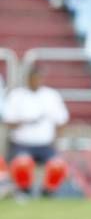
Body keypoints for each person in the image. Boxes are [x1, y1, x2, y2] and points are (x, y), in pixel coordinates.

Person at [2, 66, 69, 197]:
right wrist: (26, 121)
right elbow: (8, 121)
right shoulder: (17, 96)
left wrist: (57, 139)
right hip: (21, 144)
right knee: (22, 164)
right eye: (33, 79)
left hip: (45, 144)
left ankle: (48, 192)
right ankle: (24, 191)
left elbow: (61, 121)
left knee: (58, 165)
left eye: (38, 78)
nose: (35, 81)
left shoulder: (51, 96)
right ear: (27, 79)